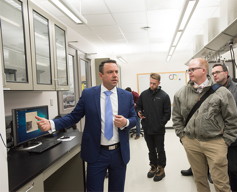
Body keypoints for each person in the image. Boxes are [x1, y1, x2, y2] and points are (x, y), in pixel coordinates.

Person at [35, 59, 137, 192]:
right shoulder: (89, 94)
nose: (115, 75)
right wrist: (52, 123)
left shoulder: (126, 96)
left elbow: (134, 118)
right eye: (110, 72)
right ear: (101, 75)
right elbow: (74, 117)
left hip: (119, 153)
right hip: (96, 153)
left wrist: (126, 122)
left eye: (116, 72)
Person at [181, 63, 237, 191]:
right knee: (215, 169)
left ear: (226, 73)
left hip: (232, 135)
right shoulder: (208, 89)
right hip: (213, 137)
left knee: (233, 169)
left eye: (217, 72)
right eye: (213, 73)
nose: (215, 75)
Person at [172, 58, 237, 192]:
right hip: (191, 142)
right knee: (199, 180)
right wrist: (183, 137)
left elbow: (233, 119)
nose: (189, 72)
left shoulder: (222, 92)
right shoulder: (181, 93)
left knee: (221, 182)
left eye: (192, 69)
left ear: (203, 70)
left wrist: (225, 141)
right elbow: (176, 117)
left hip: (215, 142)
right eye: (188, 70)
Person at [136, 73, 171, 182]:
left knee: (160, 150)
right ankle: (153, 166)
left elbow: (167, 114)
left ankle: (161, 169)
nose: (152, 85)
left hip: (159, 129)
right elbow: (138, 106)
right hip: (147, 128)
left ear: (159, 83)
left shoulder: (164, 96)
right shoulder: (144, 94)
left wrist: (161, 124)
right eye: (150, 83)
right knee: (151, 149)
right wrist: (139, 112)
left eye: (154, 83)